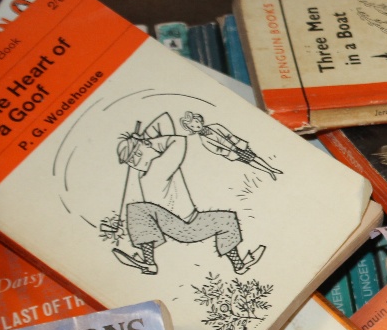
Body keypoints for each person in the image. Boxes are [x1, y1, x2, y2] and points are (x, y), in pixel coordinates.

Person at [106, 124, 265, 276]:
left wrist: (144, 145)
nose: (152, 147)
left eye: (139, 153)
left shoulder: (147, 173)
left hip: (191, 222)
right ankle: (149, 260)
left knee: (226, 219)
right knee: (138, 209)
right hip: (181, 224)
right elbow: (179, 141)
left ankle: (239, 265)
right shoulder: (157, 168)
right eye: (133, 159)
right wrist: (152, 142)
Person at [179, 111, 282, 181]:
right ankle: (268, 171)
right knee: (250, 161)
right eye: (192, 126)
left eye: (196, 122)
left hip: (238, 145)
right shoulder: (203, 140)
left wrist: (236, 143)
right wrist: (228, 152)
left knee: (254, 157)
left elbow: (228, 134)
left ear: (199, 120)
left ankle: (271, 168)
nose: (196, 126)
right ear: (191, 129)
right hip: (232, 152)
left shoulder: (215, 126)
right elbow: (216, 150)